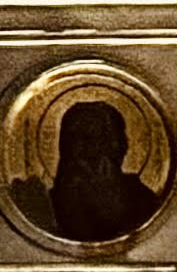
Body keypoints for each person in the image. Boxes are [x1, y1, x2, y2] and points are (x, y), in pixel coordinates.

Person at [41, 95, 162, 246]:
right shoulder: (44, 204)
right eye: (72, 138)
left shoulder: (141, 199)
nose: (79, 149)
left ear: (116, 145)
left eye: (90, 139)